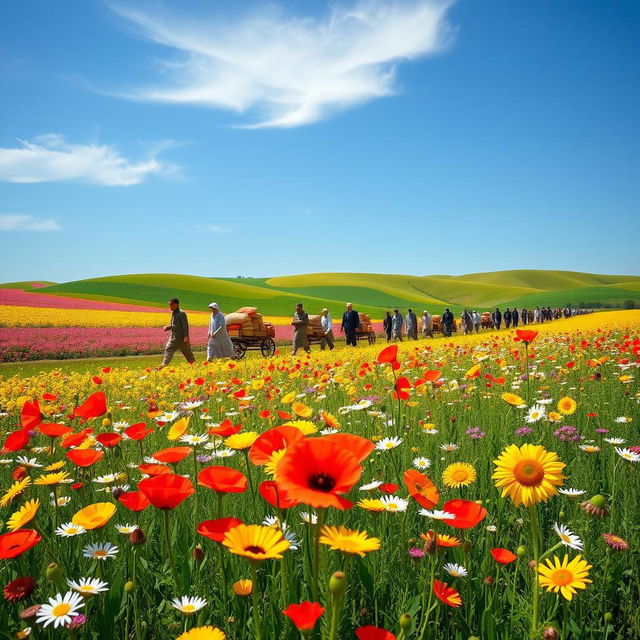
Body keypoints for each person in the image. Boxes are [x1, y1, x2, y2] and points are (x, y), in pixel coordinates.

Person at [160, 298, 195, 367]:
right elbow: (175, 325)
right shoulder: (174, 313)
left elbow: (185, 325)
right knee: (168, 349)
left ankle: (193, 365)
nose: (170, 307)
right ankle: (163, 365)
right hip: (173, 338)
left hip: (181, 339)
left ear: (177, 305)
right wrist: (168, 327)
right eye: (169, 305)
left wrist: (185, 336)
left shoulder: (181, 313)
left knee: (188, 354)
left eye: (171, 305)